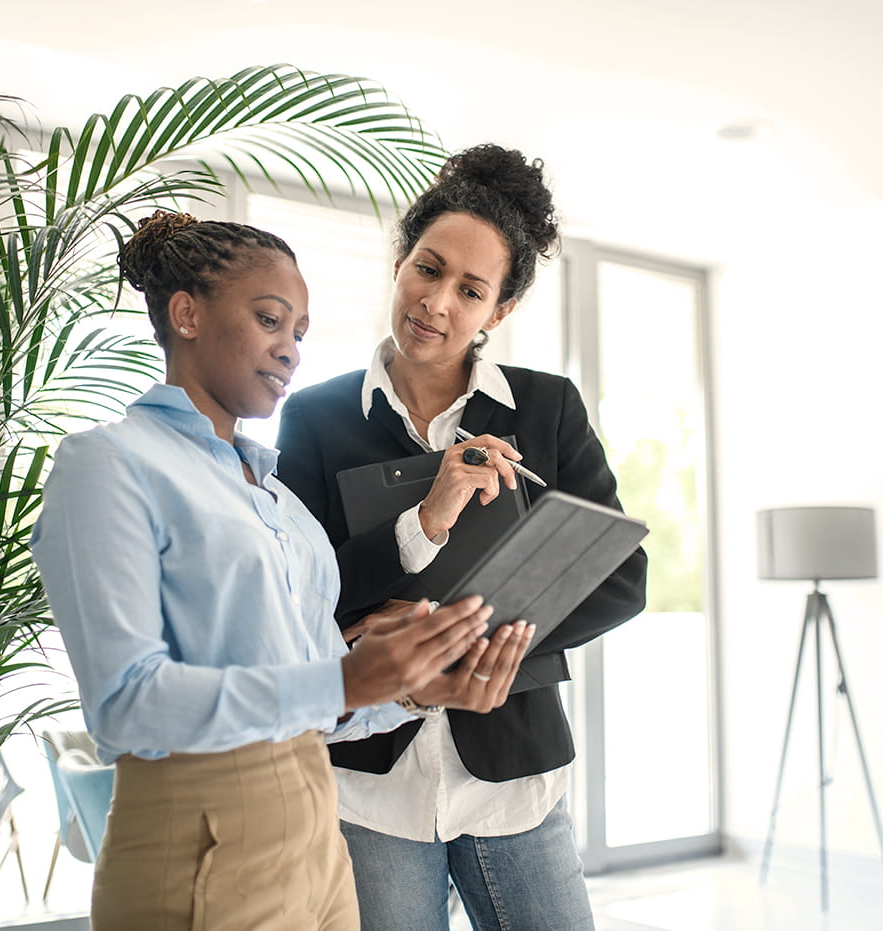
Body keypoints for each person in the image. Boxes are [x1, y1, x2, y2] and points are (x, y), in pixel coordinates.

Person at [29, 211, 533, 931]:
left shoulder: (281, 502)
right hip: (199, 840)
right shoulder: (110, 463)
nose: (290, 350)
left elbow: (314, 700)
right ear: (187, 314)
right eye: (270, 320)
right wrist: (348, 679)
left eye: (299, 331)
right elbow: (124, 704)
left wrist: (412, 690)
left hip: (319, 837)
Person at [274, 145, 649, 929]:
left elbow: (620, 576)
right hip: (369, 785)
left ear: (498, 312)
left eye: (470, 289)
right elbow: (300, 597)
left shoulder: (546, 409)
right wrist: (424, 521)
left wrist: (464, 642)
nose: (436, 301)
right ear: (400, 262)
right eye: (428, 268)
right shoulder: (314, 417)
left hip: (513, 772)